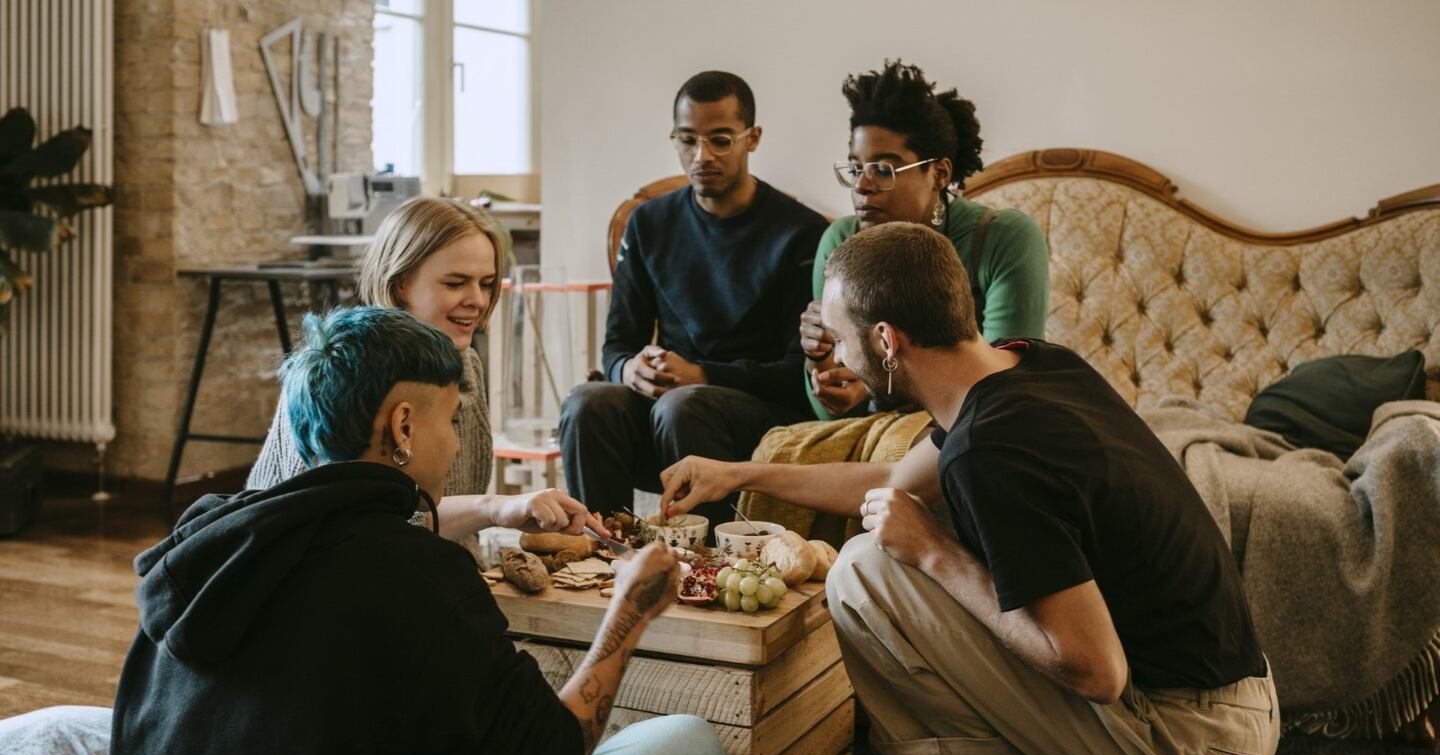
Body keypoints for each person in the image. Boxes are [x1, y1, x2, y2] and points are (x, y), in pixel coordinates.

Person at [660, 223, 1334, 755]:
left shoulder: (991, 450)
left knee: (863, 575)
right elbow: (894, 477)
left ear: (887, 341)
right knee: (906, 534)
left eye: (838, 339)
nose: (834, 357)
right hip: (1241, 706)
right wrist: (737, 473)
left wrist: (934, 553)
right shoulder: (1030, 362)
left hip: (1195, 746)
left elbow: (1097, 671)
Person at [111, 307, 726, 755]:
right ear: (403, 426)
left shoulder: (213, 535)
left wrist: (499, 508)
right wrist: (630, 612)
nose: (456, 437)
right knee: (688, 746)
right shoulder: (417, 578)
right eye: (452, 420)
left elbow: (349, 530)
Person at [249, 196, 591, 563]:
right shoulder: (343, 374)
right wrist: (494, 507)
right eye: (456, 282)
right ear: (400, 284)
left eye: (487, 283)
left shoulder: (465, 363)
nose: (477, 300)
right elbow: (351, 531)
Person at [558, 70, 828, 530]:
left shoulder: (800, 233)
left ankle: (706, 566)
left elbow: (796, 376)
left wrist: (700, 375)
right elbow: (617, 346)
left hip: (757, 416)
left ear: (752, 138)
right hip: (669, 409)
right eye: (687, 139)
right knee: (588, 403)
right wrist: (631, 370)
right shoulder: (648, 225)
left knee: (683, 404)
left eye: (720, 140)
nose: (701, 156)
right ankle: (606, 550)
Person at [802, 59, 1048, 419]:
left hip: (977, 428)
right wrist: (820, 358)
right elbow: (830, 421)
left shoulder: (1003, 238)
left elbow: (1003, 390)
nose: (862, 186)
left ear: (939, 173)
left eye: (883, 169)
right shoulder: (840, 242)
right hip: (873, 436)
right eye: (855, 168)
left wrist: (878, 387)